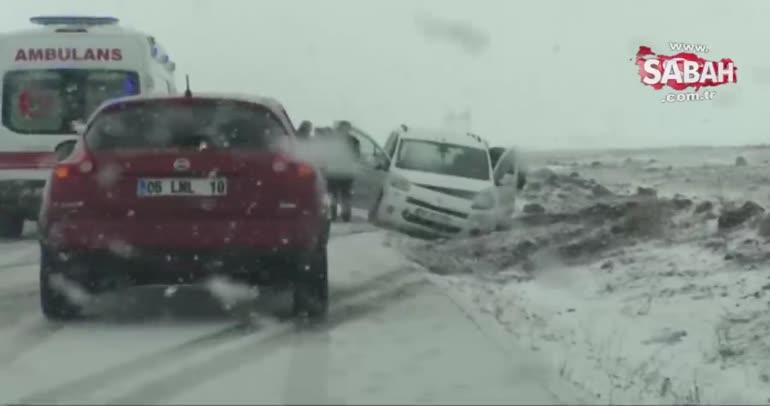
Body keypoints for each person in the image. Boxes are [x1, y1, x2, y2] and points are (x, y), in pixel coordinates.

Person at [327, 121, 361, 222]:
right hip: (345, 172)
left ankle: (332, 215)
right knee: (345, 195)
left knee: (333, 194)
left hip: (334, 171)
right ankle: (345, 215)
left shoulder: (332, 140)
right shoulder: (354, 141)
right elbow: (357, 156)